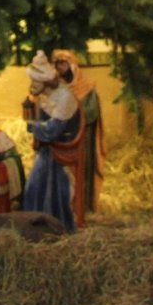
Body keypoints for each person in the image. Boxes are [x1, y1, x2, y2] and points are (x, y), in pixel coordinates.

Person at [22, 52, 81, 233]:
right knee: (35, 189)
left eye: (35, 82)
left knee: (56, 192)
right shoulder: (46, 96)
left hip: (60, 153)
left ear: (46, 82)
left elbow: (53, 130)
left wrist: (33, 127)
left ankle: (57, 227)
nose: (32, 86)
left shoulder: (65, 97)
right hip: (47, 151)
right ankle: (35, 227)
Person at [49, 48, 104, 223]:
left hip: (80, 140)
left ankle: (81, 208)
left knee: (80, 173)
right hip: (59, 139)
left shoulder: (86, 89)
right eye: (57, 63)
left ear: (72, 65)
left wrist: (71, 115)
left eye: (63, 63)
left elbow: (91, 112)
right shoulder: (53, 88)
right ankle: (60, 206)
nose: (59, 67)